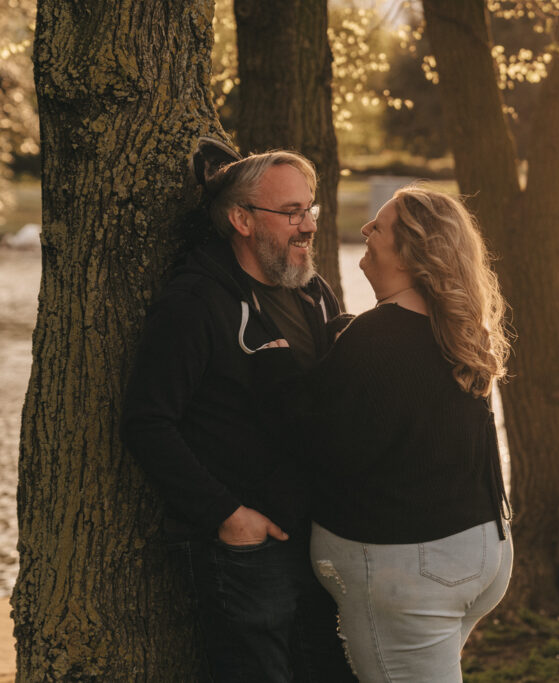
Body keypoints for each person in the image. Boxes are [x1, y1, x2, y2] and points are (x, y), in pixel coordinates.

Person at [122, 139, 353, 682]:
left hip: (318, 539)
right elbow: (147, 422)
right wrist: (228, 515)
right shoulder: (196, 302)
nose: (309, 226)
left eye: (309, 210)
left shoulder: (315, 293)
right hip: (248, 552)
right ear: (241, 220)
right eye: (291, 212)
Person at [302, 186, 514, 682]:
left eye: (378, 227)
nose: (365, 232)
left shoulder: (371, 341)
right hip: (482, 552)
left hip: (412, 568)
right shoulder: (461, 331)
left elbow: (316, 448)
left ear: (409, 252)